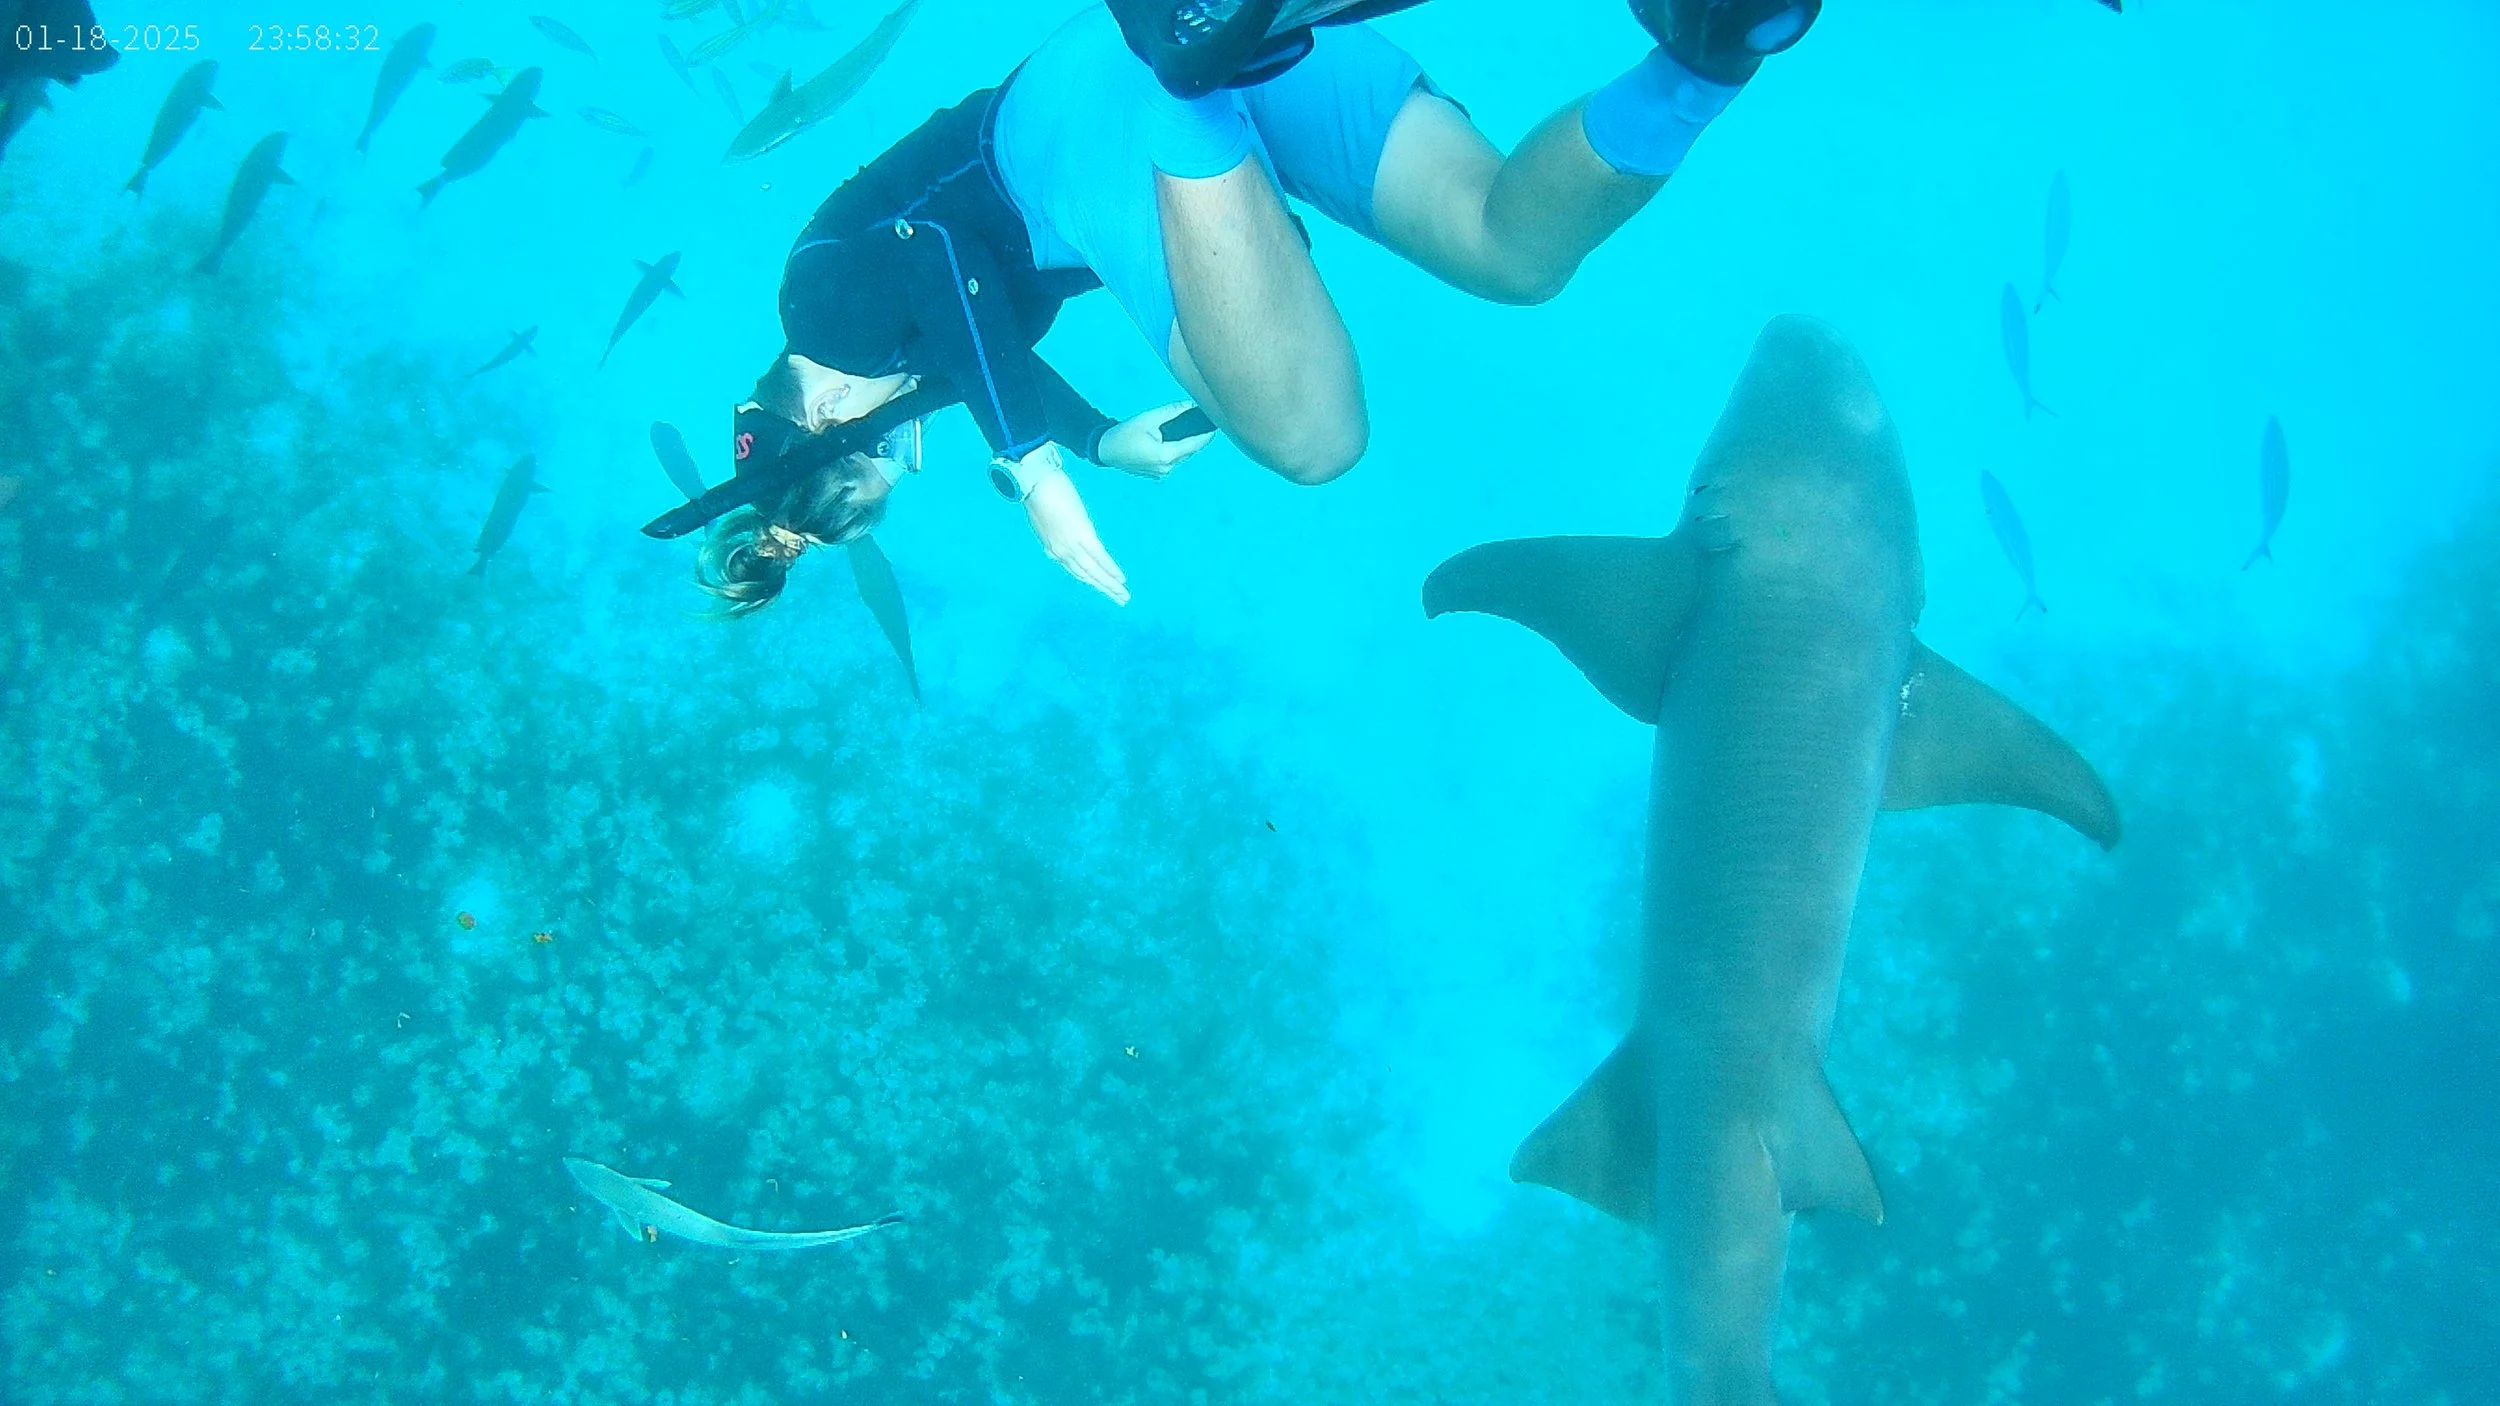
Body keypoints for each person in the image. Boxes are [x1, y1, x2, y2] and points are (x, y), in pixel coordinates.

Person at [691, 0, 1820, 609]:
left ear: (824, 433)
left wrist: (1033, 468)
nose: (906, 459)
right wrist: (1096, 437)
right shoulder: (880, 362)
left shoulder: (819, 316)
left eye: (878, 472)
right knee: (1503, 248)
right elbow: (970, 343)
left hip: (1081, 131)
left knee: (1311, 436)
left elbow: (950, 269)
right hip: (1134, 77)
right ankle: (1712, 48)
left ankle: (1190, 67)